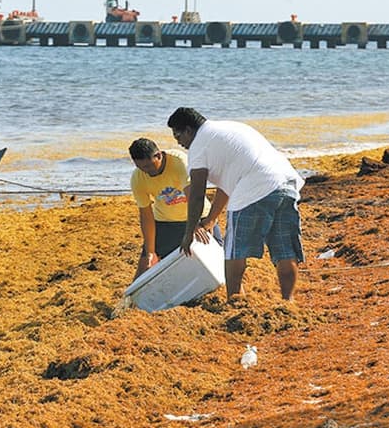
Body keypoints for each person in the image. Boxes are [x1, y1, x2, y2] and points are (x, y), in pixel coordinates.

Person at [167, 107, 304, 301]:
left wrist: (188, 233)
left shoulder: (198, 146)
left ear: (189, 130)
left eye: (178, 136)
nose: (179, 143)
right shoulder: (229, 128)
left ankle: (234, 300)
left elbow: (197, 195)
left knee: (233, 250)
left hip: (254, 188)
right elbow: (227, 187)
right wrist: (210, 220)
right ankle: (287, 301)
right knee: (284, 249)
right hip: (286, 183)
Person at [128, 137, 215, 279]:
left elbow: (193, 196)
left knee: (214, 259)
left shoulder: (179, 162)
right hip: (166, 221)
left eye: (149, 166)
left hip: (198, 216)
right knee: (146, 264)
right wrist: (150, 251)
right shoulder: (138, 177)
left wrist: (196, 225)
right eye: (141, 167)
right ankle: (133, 299)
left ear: (158, 155)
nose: (146, 172)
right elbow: (146, 215)